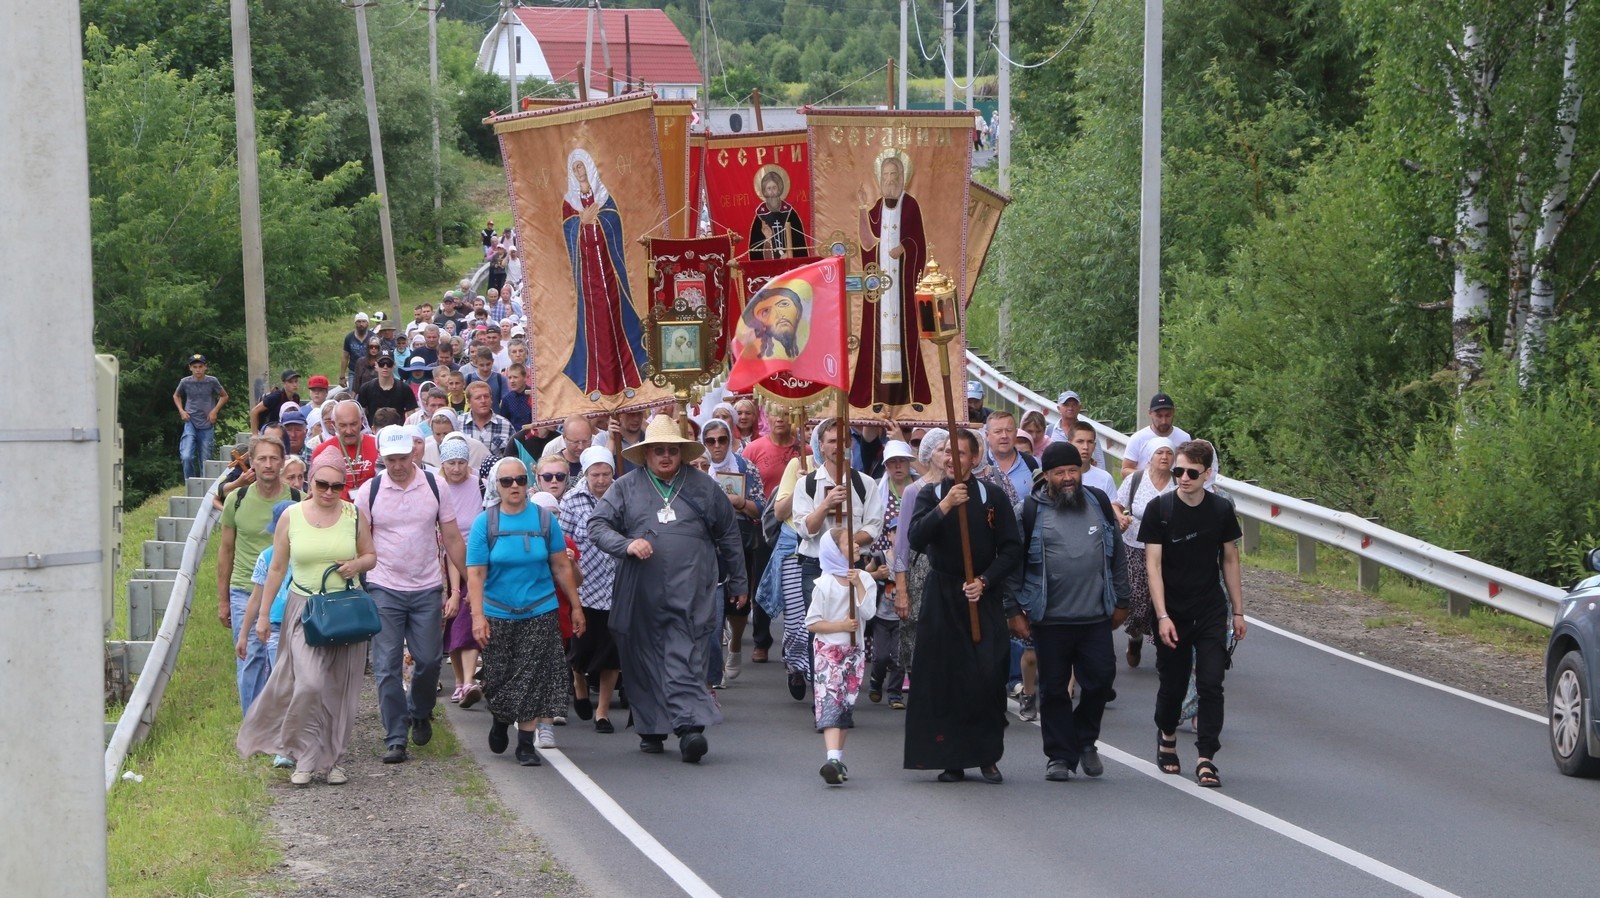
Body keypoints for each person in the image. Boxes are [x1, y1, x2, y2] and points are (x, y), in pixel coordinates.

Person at [586, 415, 748, 762]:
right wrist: (626, 544)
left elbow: (729, 535)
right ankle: (652, 727)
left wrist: (738, 580)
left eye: (672, 451)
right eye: (658, 451)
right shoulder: (625, 487)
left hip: (693, 588)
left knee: (686, 655)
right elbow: (597, 525)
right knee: (643, 658)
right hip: (640, 590)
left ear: (681, 454)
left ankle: (690, 728)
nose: (665, 457)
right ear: (645, 454)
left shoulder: (705, 487)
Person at [236, 453, 377, 786]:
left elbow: (371, 556)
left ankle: (332, 760)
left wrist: (356, 565)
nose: (329, 492)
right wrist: (261, 617)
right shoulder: (291, 515)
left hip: (344, 608)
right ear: (309, 482)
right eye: (322, 485)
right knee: (309, 683)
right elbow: (276, 568)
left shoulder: (353, 514)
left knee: (338, 690)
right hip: (304, 609)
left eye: (337, 486)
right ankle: (304, 754)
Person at [1005, 443, 1130, 782]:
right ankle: (1060, 756)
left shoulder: (1098, 503)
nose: (1068, 478)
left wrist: (1123, 600)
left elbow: (1116, 555)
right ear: (1046, 476)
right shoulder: (1029, 510)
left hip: (1095, 616)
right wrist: (1013, 610)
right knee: (1054, 689)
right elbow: (1012, 564)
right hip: (1050, 618)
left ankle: (1085, 740)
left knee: (1101, 681)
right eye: (1059, 472)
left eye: (1073, 470)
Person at [905, 428, 1023, 783]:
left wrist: (985, 581)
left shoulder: (994, 497)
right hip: (942, 595)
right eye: (946, 452)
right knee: (945, 678)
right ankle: (951, 758)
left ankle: (987, 755)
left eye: (961, 453)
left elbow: (1012, 548)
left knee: (987, 674)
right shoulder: (930, 494)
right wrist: (945, 506)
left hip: (981, 595)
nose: (953, 458)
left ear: (974, 458)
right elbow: (915, 537)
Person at [354, 426, 468, 764]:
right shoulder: (369, 491)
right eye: (391, 459)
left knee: (430, 659)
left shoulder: (435, 485)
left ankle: (420, 710)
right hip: (384, 586)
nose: (398, 465)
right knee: (386, 665)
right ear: (382, 458)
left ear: (414, 454)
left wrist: (472, 580)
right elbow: (360, 540)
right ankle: (395, 736)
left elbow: (451, 537)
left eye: (403, 458)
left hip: (426, 586)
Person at [1138, 439, 1245, 788]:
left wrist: (1239, 612)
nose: (1183, 478)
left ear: (1208, 474)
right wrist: (1163, 615)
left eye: (1191, 473)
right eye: (1178, 471)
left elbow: (1229, 558)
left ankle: (1206, 757)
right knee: (1173, 682)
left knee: (1212, 682)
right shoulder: (1160, 509)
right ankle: (1167, 735)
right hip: (1173, 610)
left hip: (1210, 608)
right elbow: (1152, 565)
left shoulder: (1220, 510)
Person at [467, 457, 585, 766]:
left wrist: (575, 606)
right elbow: (476, 574)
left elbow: (561, 565)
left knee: (533, 676)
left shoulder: (545, 521)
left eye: (520, 480)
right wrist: (478, 617)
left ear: (527, 483)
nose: (514, 486)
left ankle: (525, 745)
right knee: (499, 677)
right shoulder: (485, 523)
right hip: (498, 612)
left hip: (540, 608)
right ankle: (501, 719)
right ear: (497, 486)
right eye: (507, 482)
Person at [786, 418, 885, 700]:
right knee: (819, 628)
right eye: (831, 441)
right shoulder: (807, 484)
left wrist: (848, 544)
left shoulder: (864, 483)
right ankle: (823, 695)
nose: (838, 447)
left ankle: (844, 690)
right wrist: (826, 505)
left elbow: (873, 526)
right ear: (820, 446)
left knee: (850, 627)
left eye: (843, 441)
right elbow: (805, 528)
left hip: (850, 566)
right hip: (815, 566)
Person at [217, 434, 297, 712]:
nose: (268, 464)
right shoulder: (236, 500)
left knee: (286, 657)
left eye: (274, 458)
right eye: (261, 458)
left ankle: (282, 720)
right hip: (244, 589)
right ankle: (253, 724)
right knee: (250, 655)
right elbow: (226, 551)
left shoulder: (298, 499)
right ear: (251, 462)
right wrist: (223, 599)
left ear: (283, 462)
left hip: (289, 592)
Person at [561, 148, 647, 399]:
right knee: (594, 328)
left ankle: (629, 379)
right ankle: (595, 384)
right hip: (588, 278)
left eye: (582, 167)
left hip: (611, 274)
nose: (580, 172)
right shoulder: (569, 203)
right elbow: (568, 230)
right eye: (575, 168)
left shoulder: (604, 197)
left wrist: (599, 220)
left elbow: (615, 220)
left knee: (618, 322)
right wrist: (582, 222)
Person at [853, 149, 931, 409]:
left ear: (902, 177)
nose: (890, 179)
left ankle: (912, 395)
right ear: (880, 178)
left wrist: (905, 247)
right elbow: (866, 242)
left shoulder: (911, 206)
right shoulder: (876, 207)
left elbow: (919, 242)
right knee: (876, 337)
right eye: (885, 175)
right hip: (881, 290)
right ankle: (876, 396)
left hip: (903, 287)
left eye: (894, 174)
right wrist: (863, 208)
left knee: (907, 335)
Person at [806, 527, 876, 785]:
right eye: (850, 543)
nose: (857, 546)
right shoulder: (823, 584)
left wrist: (859, 583)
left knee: (845, 705)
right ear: (835, 551)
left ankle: (837, 759)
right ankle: (832, 758)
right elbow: (812, 622)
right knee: (831, 702)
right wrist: (840, 627)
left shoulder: (865, 579)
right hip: (828, 652)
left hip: (854, 652)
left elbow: (868, 613)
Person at [560, 446, 622, 733]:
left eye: (606, 473)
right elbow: (562, 540)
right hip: (584, 586)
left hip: (615, 585)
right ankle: (579, 682)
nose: (601, 480)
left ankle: (603, 711)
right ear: (585, 474)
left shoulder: (622, 496)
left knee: (611, 652)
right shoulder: (572, 501)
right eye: (595, 474)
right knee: (580, 649)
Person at [701, 418, 765, 680]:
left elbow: (760, 508)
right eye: (710, 441)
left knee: (737, 600)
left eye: (722, 440)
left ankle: (736, 642)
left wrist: (740, 502)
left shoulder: (744, 466)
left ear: (730, 440)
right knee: (712, 602)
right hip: (706, 542)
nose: (717, 446)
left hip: (738, 537)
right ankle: (713, 664)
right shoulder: (698, 468)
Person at [1116, 437, 1176, 668]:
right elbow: (1116, 504)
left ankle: (1164, 647)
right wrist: (1120, 517)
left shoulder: (1178, 482)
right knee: (1138, 599)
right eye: (1159, 453)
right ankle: (1135, 637)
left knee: (1163, 600)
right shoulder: (1136, 479)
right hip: (1135, 546)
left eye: (1168, 453)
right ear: (1150, 457)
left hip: (1167, 549)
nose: (1164, 457)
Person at [867, 439, 915, 708]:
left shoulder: (920, 488)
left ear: (910, 462)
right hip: (884, 557)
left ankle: (897, 687)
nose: (898, 466)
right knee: (882, 629)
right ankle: (877, 676)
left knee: (904, 632)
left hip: (914, 555)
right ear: (885, 465)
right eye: (892, 462)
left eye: (902, 460)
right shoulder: (877, 489)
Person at [310, 400, 380, 499]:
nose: (349, 431)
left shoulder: (377, 445)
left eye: (353, 424)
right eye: (343, 425)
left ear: (362, 421)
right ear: (334, 424)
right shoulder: (322, 451)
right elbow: (314, 489)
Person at [174, 353, 228, 480]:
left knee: (205, 459)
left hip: (206, 423)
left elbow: (224, 395)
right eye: (195, 367)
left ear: (205, 367)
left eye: (200, 366)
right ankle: (190, 482)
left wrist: (215, 411)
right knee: (186, 455)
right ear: (190, 368)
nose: (198, 369)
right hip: (191, 421)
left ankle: (204, 486)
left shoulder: (212, 381)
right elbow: (176, 395)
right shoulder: (185, 382)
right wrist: (181, 411)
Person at [1122, 393, 1193, 478]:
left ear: (1174, 412)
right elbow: (1125, 471)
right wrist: (1150, 476)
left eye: (1168, 415)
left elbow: (1190, 468)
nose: (1164, 421)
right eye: (1159, 416)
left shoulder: (1184, 438)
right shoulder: (1138, 438)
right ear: (1150, 413)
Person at [747, 166, 809, 260]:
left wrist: (789, 253)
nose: (772, 192)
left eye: (774, 188)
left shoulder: (790, 213)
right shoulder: (760, 217)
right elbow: (755, 250)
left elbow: (799, 243)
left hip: (790, 263)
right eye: (769, 188)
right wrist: (768, 241)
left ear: (779, 189)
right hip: (769, 267)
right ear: (764, 192)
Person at [1046, 391, 1106, 469]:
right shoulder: (1050, 430)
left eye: (1074, 405)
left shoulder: (1088, 431)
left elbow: (1099, 460)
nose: (1070, 408)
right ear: (1058, 408)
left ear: (1080, 407)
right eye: (1066, 405)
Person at [460, 381, 514, 456]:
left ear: (491, 399)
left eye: (486, 396)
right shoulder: (458, 423)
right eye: (478, 398)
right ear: (469, 402)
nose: (483, 401)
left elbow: (513, 456)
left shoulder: (505, 425)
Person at [341, 312, 372, 388]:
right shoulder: (349, 338)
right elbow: (345, 357)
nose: (361, 324)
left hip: (370, 371)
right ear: (355, 323)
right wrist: (342, 376)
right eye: (359, 321)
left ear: (367, 323)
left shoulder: (373, 337)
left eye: (364, 321)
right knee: (353, 397)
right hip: (353, 372)